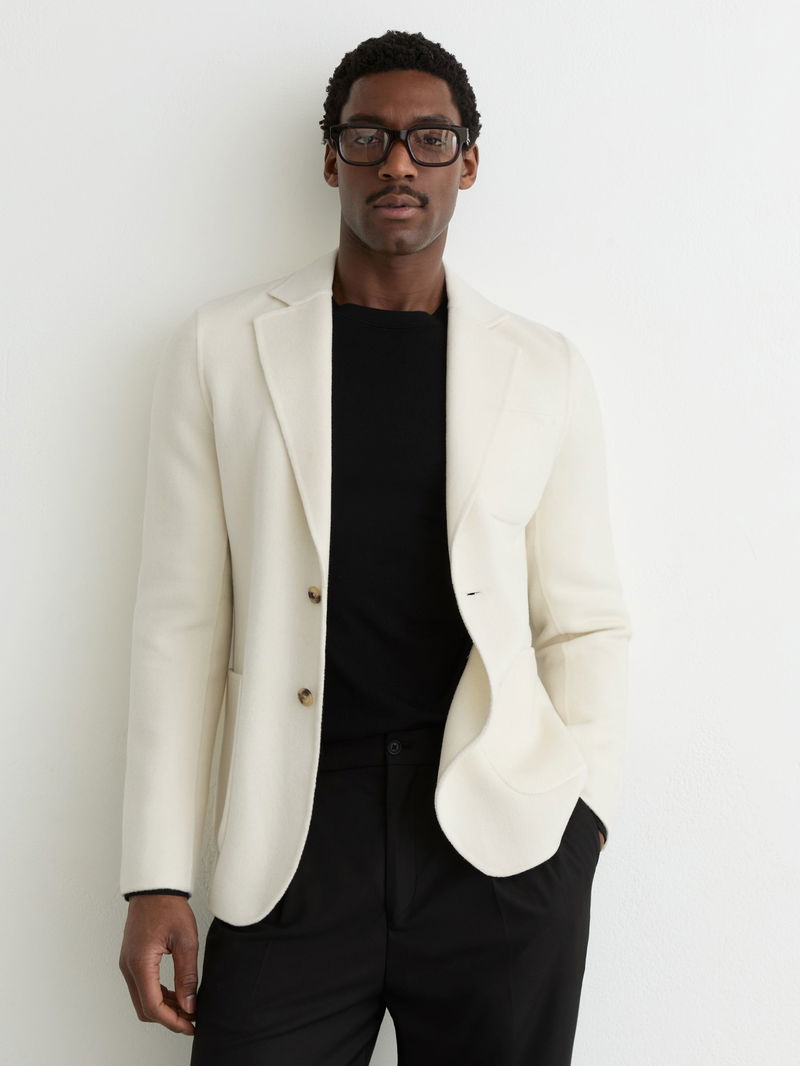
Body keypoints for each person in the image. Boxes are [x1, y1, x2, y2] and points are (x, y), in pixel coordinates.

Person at [118, 29, 632, 1065]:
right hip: (295, 836)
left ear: (466, 164)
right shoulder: (223, 349)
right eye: (369, 137)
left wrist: (578, 825)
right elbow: (180, 625)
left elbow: (584, 622)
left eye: (429, 139)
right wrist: (155, 875)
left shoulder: (543, 368)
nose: (399, 162)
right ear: (332, 159)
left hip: (497, 840)